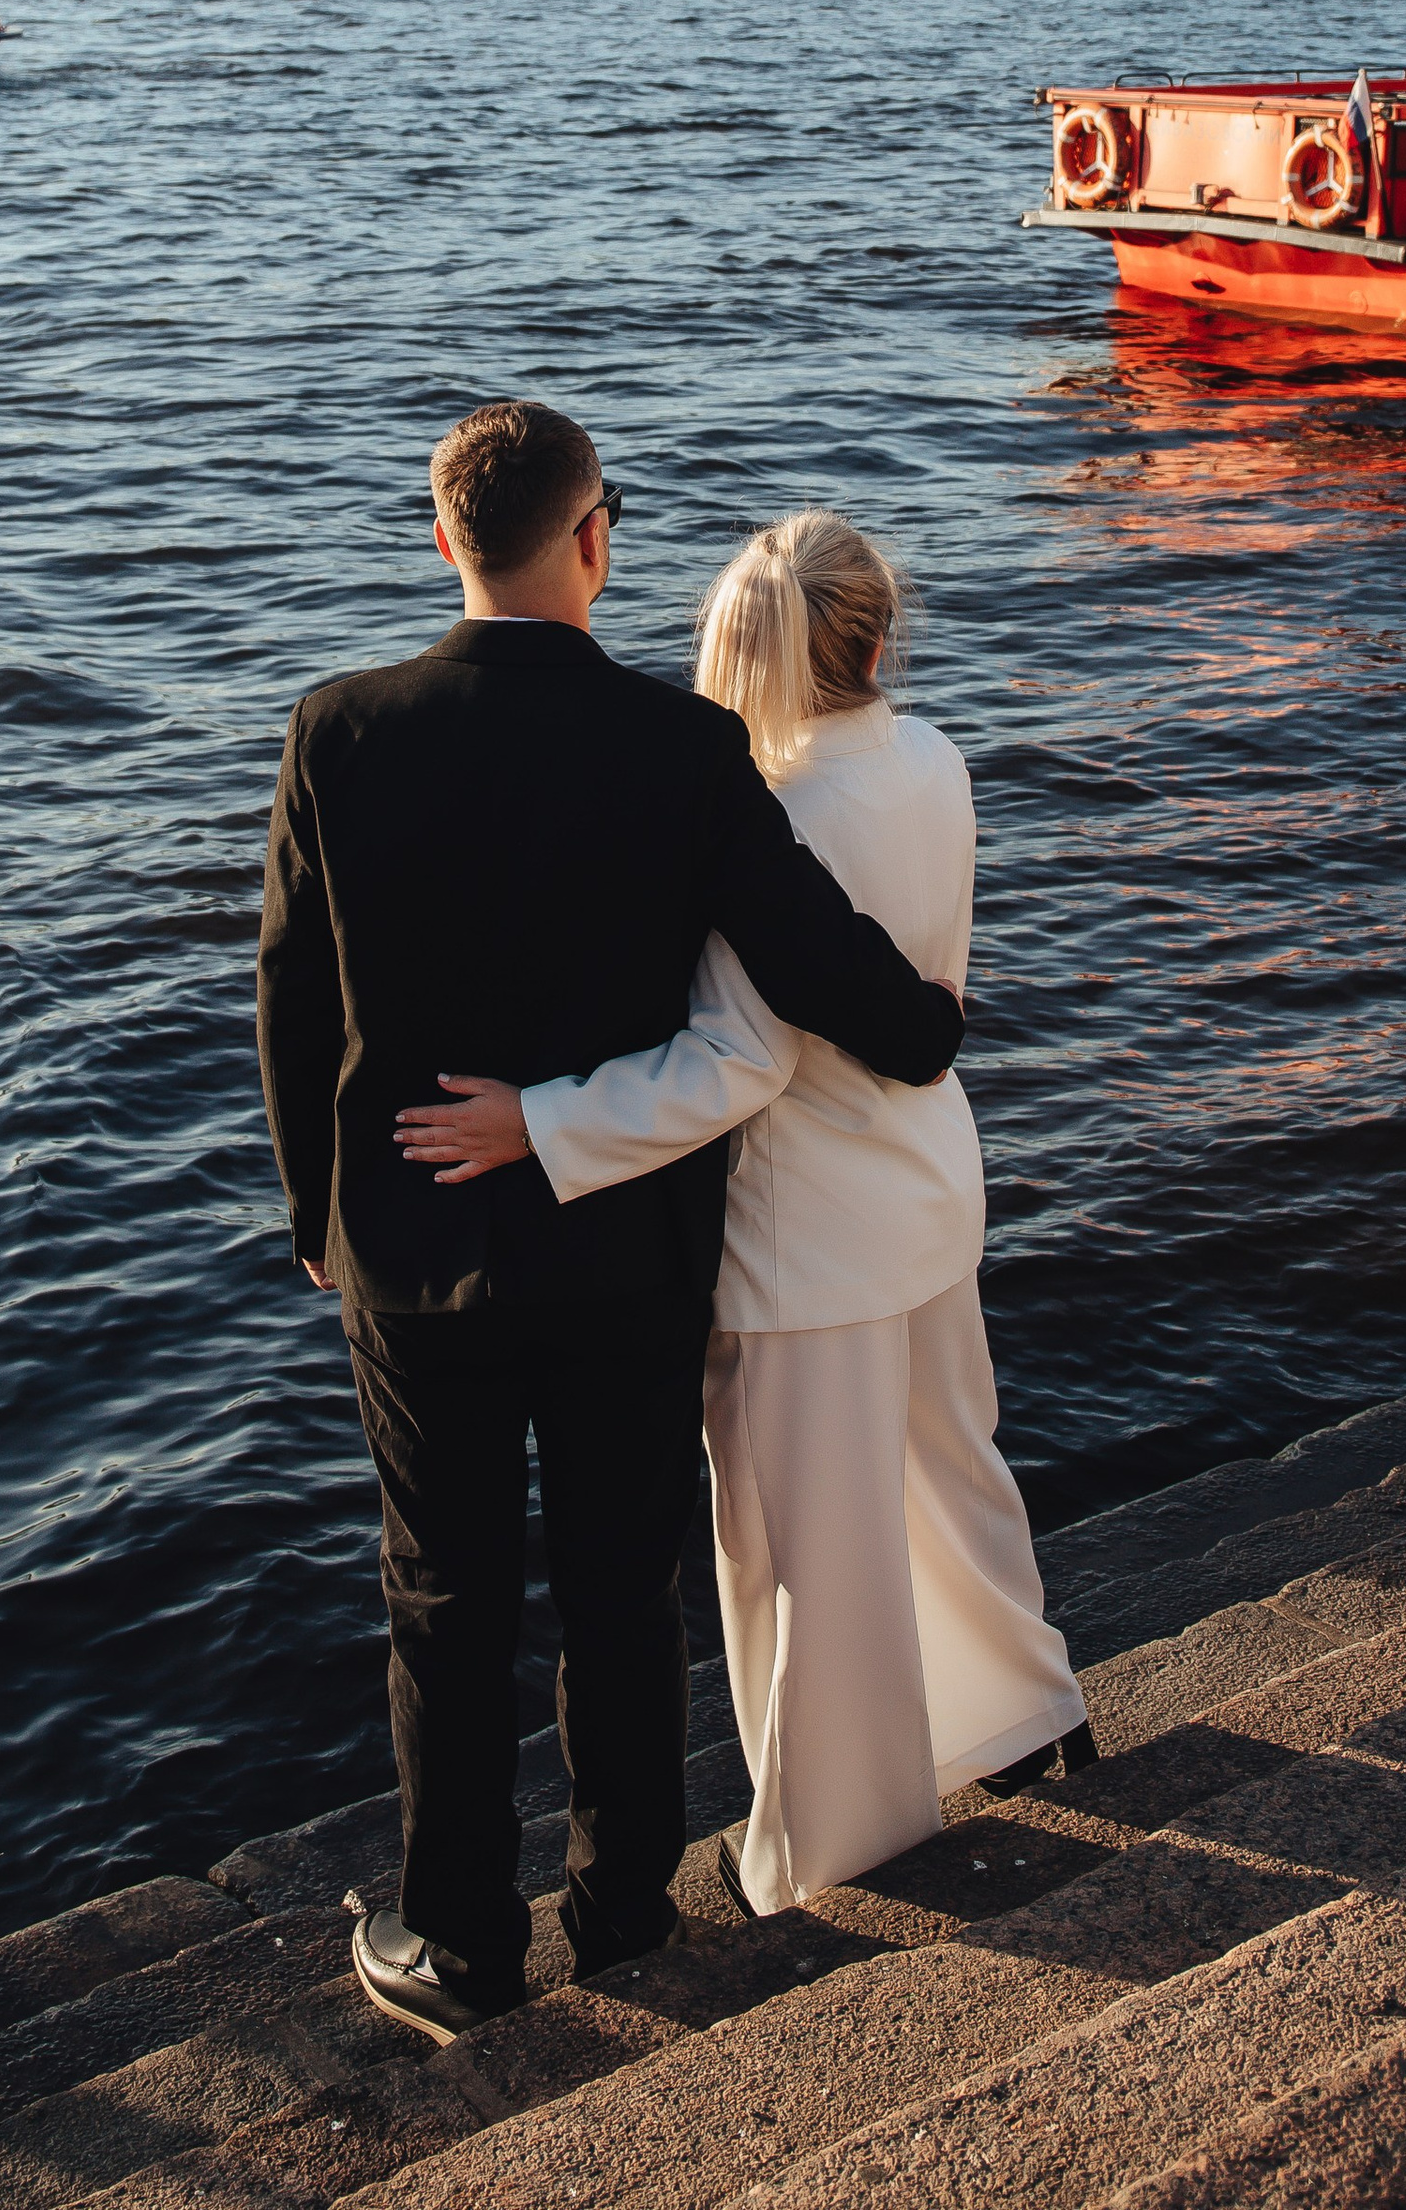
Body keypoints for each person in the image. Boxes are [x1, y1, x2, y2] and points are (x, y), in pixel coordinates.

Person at [257, 407, 965, 2044]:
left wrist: (317, 1210)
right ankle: (629, 1913)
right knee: (620, 1581)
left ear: (446, 542)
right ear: (594, 540)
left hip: (414, 1246)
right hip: (625, 1249)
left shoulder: (338, 732)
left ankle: (458, 1945)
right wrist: (925, 1031)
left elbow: (294, 1001)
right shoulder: (680, 747)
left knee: (442, 1593)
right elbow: (809, 953)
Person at [398, 509, 1086, 1919]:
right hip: (928, 1195)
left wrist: (537, 1120)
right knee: (955, 1480)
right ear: (879, 642)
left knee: (800, 1561)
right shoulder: (933, 760)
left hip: (805, 1240)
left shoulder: (762, 815)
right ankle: (1022, 1716)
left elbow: (741, 1060)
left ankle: (833, 1839)